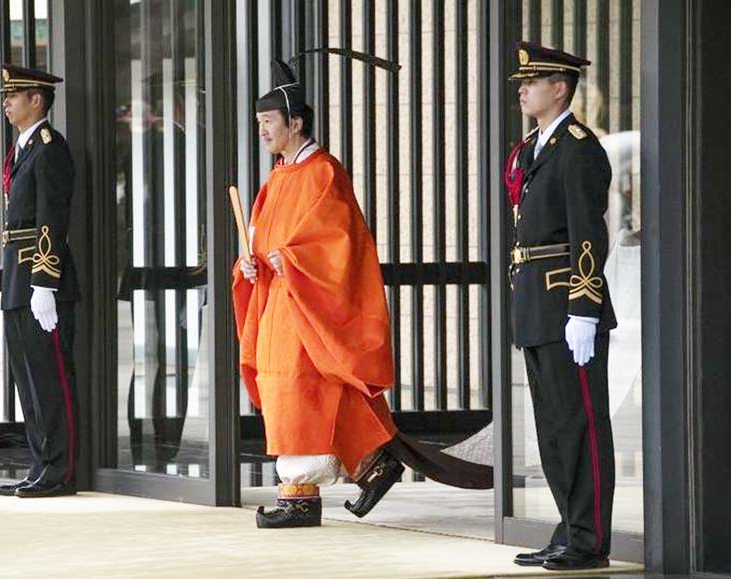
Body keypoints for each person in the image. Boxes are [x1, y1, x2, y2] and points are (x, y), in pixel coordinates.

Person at [232, 58, 492, 529]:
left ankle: (315, 490)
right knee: (288, 391)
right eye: (259, 123)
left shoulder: (323, 172)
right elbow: (260, 239)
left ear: (296, 122)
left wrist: (290, 260)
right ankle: (358, 469)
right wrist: (248, 263)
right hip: (279, 304)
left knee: (309, 391)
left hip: (307, 304)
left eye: (268, 122)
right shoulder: (277, 178)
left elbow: (337, 242)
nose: (263, 131)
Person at [504, 42, 616, 570]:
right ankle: (569, 529)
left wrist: (585, 307)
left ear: (560, 88)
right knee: (553, 429)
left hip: (568, 305)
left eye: (532, 81)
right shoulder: (534, 147)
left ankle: (589, 541)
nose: (522, 89)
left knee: (581, 426)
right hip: (535, 304)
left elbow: (588, 232)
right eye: (522, 83)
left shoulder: (577, 147)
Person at [0, 64, 81, 498]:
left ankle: (59, 470)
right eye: (5, 96)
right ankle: (40, 462)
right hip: (17, 277)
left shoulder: (50, 148)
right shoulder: (23, 148)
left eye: (14, 95)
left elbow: (52, 216)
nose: (6, 102)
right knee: (27, 379)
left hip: (41, 280)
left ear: (37, 101)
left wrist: (44, 281)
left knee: (51, 378)